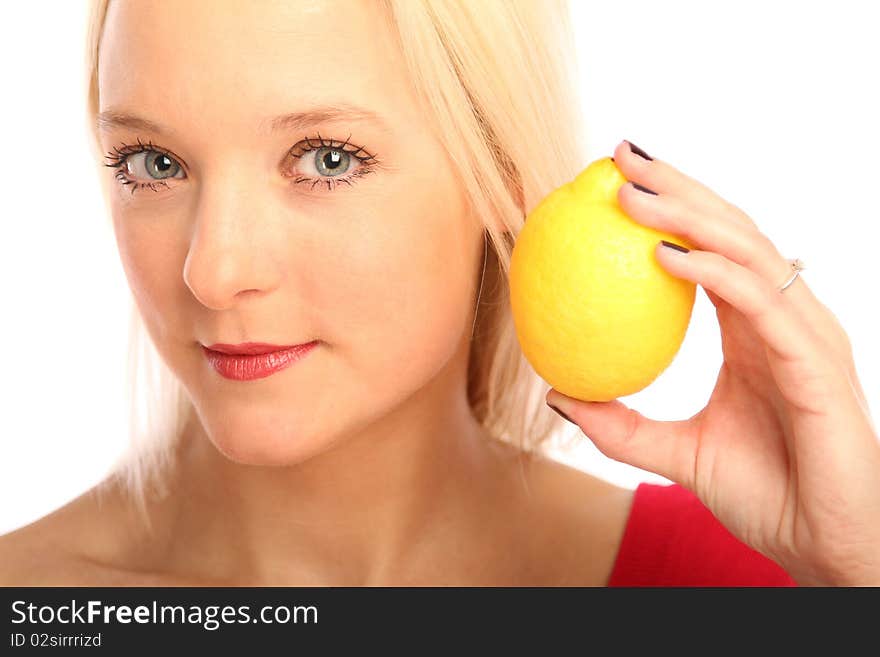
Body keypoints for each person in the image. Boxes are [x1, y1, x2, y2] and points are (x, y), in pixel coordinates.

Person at [1, 0, 877, 587]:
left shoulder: (745, 579)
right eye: (153, 163)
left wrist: (857, 567)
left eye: (326, 158)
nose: (214, 270)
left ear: (495, 172)